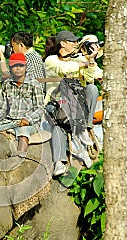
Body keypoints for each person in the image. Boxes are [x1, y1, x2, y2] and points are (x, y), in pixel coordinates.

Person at [44, 30, 101, 175]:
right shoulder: (51, 60)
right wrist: (85, 61)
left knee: (92, 88)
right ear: (62, 44)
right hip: (57, 104)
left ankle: (85, 128)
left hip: (76, 105)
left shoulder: (77, 60)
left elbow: (89, 76)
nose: (76, 44)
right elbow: (63, 69)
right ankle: (59, 162)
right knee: (58, 125)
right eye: (73, 41)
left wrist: (92, 60)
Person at [0, 53, 45, 156]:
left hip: (28, 123)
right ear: (10, 67)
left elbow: (40, 108)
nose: (18, 68)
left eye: (21, 65)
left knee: (23, 133)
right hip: (9, 121)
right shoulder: (7, 84)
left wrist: (28, 119)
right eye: (15, 66)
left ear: (25, 66)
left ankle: (19, 160)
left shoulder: (34, 84)